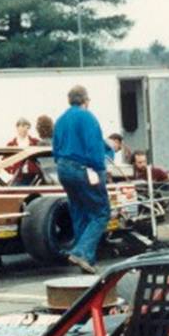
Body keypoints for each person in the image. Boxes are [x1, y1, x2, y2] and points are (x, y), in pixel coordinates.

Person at [53, 84, 109, 274]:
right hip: (83, 168)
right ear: (85, 100)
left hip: (63, 168)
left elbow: (55, 148)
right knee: (101, 212)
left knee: (79, 211)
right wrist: (100, 170)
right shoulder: (87, 117)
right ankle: (82, 252)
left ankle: (88, 262)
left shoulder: (60, 120)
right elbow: (94, 147)